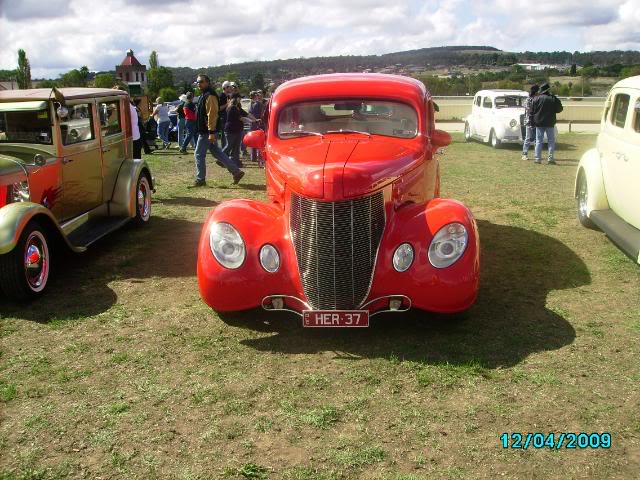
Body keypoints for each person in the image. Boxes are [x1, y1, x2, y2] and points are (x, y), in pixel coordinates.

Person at [193, 74, 244, 187]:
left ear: (207, 82)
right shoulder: (204, 94)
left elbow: (212, 114)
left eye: (201, 82)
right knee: (217, 152)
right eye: (197, 82)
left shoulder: (210, 95)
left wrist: (211, 132)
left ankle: (200, 179)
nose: (199, 84)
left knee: (198, 154)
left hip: (207, 131)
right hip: (208, 130)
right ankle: (236, 171)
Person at [532, 82, 563, 165]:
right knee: (551, 141)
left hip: (539, 123)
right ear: (548, 90)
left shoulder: (536, 98)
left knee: (538, 141)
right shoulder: (553, 98)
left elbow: (532, 111)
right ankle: (550, 158)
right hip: (550, 123)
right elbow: (559, 109)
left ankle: (537, 159)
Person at [224, 93, 256, 169]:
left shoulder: (237, 107)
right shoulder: (232, 108)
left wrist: (255, 119)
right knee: (229, 146)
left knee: (236, 148)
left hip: (237, 130)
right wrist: (252, 121)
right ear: (235, 98)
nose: (240, 99)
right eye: (239, 98)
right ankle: (221, 158)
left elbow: (246, 114)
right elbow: (241, 118)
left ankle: (236, 162)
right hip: (231, 130)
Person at [521, 84, 539, 161]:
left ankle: (536, 155)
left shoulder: (534, 98)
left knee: (535, 138)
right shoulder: (529, 99)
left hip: (534, 121)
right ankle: (524, 154)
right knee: (528, 138)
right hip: (530, 121)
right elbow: (529, 110)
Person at [249, 90, 265, 164]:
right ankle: (259, 157)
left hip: (252, 124)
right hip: (258, 123)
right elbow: (262, 114)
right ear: (255, 96)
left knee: (253, 141)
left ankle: (253, 157)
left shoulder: (250, 104)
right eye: (257, 95)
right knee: (259, 141)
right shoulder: (259, 104)